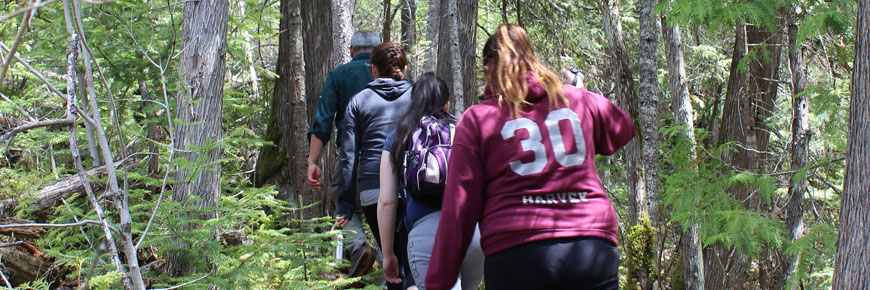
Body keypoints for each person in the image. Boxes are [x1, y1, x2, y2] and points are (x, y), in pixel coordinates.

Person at [425, 24, 637, 290]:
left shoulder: (478, 119)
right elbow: (624, 128)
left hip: (516, 253)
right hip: (590, 245)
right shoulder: (578, 100)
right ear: (531, 59)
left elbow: (459, 209)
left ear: (489, 69)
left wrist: (438, 282)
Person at [377, 73, 485, 290]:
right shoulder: (465, 130)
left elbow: (387, 202)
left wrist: (388, 254)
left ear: (413, 103)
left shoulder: (398, 137)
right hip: (472, 234)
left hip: (427, 236)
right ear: (447, 103)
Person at [335, 42, 414, 289]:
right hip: (415, 186)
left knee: (390, 259)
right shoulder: (419, 96)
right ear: (405, 67)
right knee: (412, 262)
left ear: (373, 69)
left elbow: (348, 156)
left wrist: (345, 206)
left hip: (373, 189)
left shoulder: (358, 102)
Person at [306, 30, 380, 277]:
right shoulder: (393, 76)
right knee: (385, 210)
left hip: (351, 157)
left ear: (351, 51)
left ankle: (359, 248)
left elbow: (323, 122)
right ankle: (385, 267)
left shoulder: (339, 75)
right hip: (387, 159)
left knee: (344, 203)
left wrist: (312, 161)